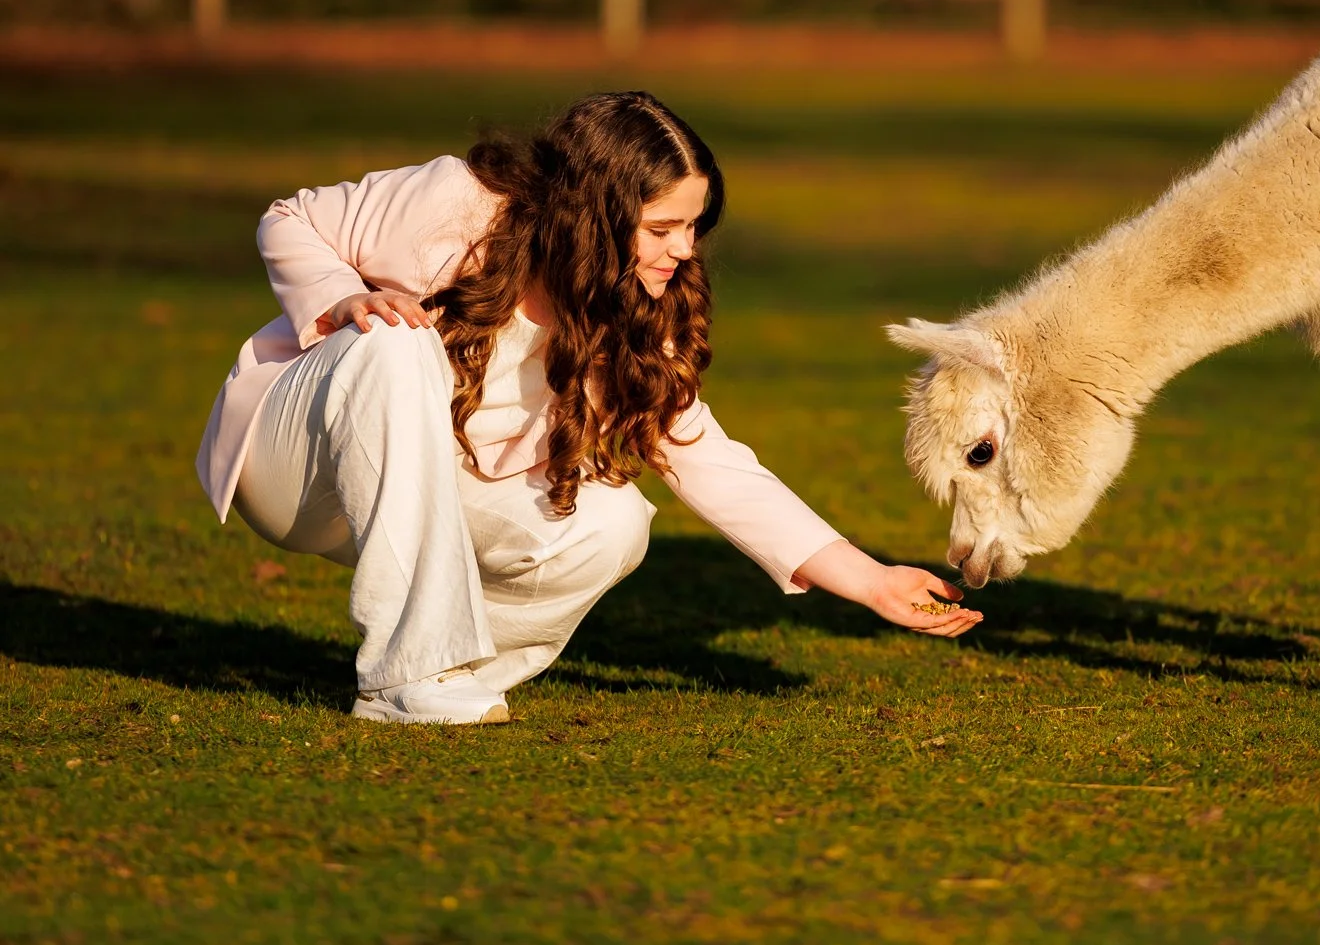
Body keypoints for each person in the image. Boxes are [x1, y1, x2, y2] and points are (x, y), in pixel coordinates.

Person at [195, 91, 979, 724]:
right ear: (595, 213)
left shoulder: (641, 313)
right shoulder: (462, 204)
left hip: (428, 490)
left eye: (694, 229)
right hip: (295, 461)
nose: (683, 250)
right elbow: (290, 216)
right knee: (397, 344)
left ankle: (456, 671)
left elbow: (712, 464)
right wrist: (344, 299)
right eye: (662, 228)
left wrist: (871, 581)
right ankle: (406, 673)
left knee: (613, 522)